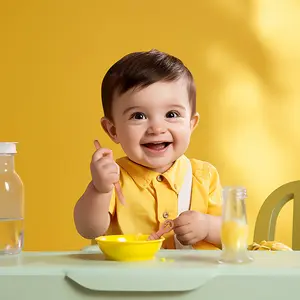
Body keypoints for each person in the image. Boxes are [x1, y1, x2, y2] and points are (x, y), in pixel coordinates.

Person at [74, 49, 223, 250]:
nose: (157, 129)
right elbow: (88, 229)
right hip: (131, 279)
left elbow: (233, 234)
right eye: (139, 116)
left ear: (191, 124)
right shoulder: (114, 179)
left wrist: (206, 226)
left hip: (197, 280)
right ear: (113, 130)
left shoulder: (204, 176)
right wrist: (99, 190)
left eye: (171, 114)